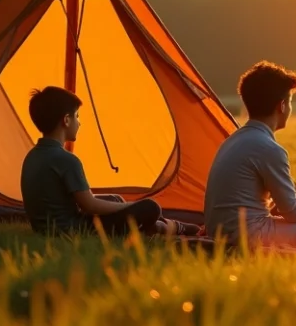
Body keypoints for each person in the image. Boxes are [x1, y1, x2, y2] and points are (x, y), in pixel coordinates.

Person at [20, 86, 197, 237]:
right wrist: (131, 206)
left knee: (115, 199)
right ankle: (170, 228)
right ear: (66, 120)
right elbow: (88, 205)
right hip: (73, 230)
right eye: (77, 116)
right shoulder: (66, 160)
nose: (79, 123)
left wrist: (121, 206)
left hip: (46, 229)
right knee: (150, 207)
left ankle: (163, 227)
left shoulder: (32, 156)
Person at [204, 61, 296, 246]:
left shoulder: (231, 141)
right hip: (249, 236)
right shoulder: (268, 148)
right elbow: (294, 213)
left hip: (217, 232)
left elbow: (274, 206)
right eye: (289, 103)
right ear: (282, 106)